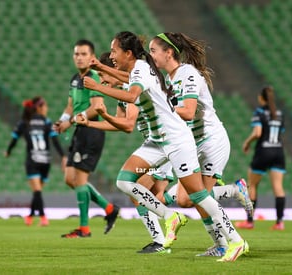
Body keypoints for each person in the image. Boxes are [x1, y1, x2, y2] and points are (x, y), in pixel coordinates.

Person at [82, 31, 248, 262]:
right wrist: (101, 67)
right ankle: (171, 217)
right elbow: (125, 80)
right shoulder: (143, 70)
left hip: (178, 140)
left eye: (114, 51)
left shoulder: (143, 69)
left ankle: (236, 241)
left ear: (127, 53)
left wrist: (97, 86)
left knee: (197, 195)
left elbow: (131, 96)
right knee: (124, 180)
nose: (112, 55)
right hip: (158, 140)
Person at [148, 32, 253, 257]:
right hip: (196, 144)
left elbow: (187, 112)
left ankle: (232, 242)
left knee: (198, 197)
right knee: (187, 200)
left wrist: (162, 112)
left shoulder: (187, 73)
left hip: (212, 141)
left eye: (153, 50)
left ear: (168, 52)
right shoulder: (169, 79)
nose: (151, 55)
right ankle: (231, 195)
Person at [79, 52, 175, 254]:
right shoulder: (122, 94)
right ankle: (229, 193)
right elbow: (119, 124)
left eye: (103, 76)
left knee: (137, 189)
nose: (103, 81)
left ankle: (160, 241)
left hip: (165, 144)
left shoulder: (132, 89)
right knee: (173, 197)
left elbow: (129, 124)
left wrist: (100, 105)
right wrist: (91, 123)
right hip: (157, 146)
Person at [53, 39, 119, 238]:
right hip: (79, 130)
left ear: (92, 58)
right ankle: (109, 209)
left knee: (79, 180)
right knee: (69, 178)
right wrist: (63, 120)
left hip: (91, 131)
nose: (79, 58)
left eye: (83, 54)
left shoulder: (93, 78)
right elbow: (71, 105)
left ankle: (84, 228)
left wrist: (71, 121)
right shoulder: (76, 78)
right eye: (76, 54)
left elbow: (95, 108)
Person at [5, 96, 66, 226]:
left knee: (37, 191)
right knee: (37, 191)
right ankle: (30, 216)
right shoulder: (47, 122)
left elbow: (14, 139)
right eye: (45, 106)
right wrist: (63, 156)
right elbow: (55, 141)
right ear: (39, 108)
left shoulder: (24, 122)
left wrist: (8, 151)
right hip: (45, 161)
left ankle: (43, 217)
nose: (47, 109)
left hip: (32, 160)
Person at [235, 86, 286, 230]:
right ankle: (279, 222)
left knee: (252, 185)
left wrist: (247, 142)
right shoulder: (279, 114)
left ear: (261, 97)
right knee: (278, 187)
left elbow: (258, 133)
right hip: (278, 152)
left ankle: (250, 221)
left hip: (264, 151)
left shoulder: (259, 112)